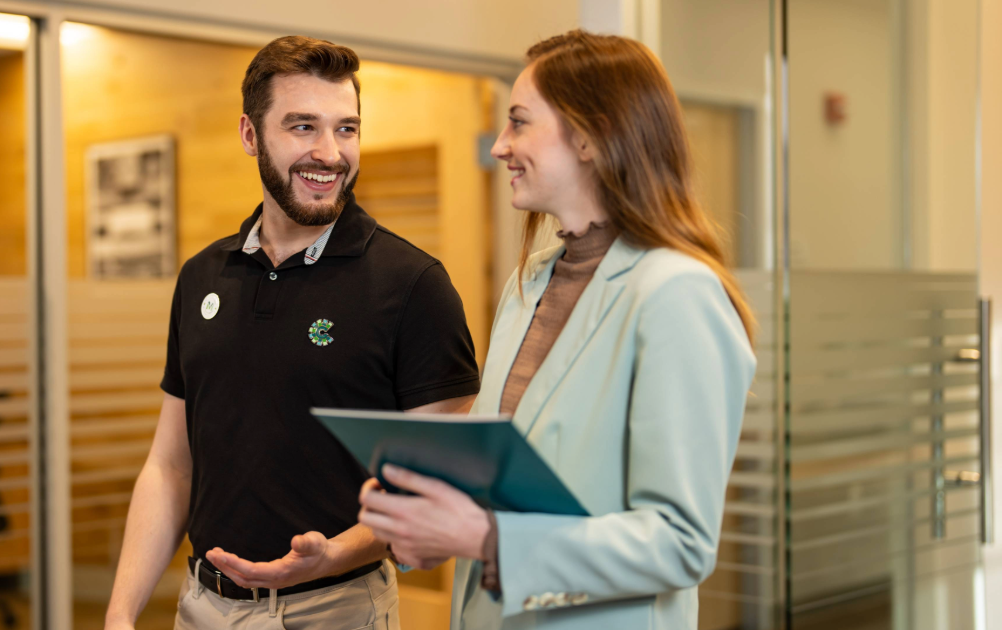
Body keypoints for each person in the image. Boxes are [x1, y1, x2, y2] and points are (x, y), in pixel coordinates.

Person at [357, 30, 757, 630]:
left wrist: (490, 539)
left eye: (519, 122)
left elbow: (680, 543)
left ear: (591, 136)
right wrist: (427, 524)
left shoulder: (676, 294)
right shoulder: (530, 285)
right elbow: (512, 484)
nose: (499, 146)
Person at [103, 35, 480, 630]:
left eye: (347, 129)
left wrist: (334, 553)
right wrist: (121, 614)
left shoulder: (414, 286)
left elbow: (431, 488)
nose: (329, 153)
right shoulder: (203, 274)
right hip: (200, 608)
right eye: (303, 127)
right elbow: (171, 465)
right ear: (251, 135)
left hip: (336, 609)